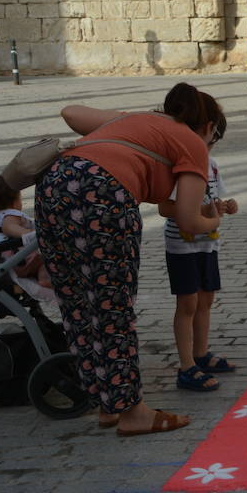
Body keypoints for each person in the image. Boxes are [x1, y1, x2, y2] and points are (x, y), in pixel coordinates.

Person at [34, 83, 225, 436]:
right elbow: (187, 219)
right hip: (103, 194)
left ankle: (105, 402)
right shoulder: (193, 142)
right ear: (209, 126)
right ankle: (132, 412)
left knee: (77, 303)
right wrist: (213, 219)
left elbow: (70, 112)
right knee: (112, 306)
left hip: (54, 184)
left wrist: (125, 119)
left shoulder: (141, 121)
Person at [161, 144, 238, 393]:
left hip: (208, 243)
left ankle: (201, 353)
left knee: (205, 300)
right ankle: (186, 366)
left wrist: (226, 206)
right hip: (182, 246)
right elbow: (165, 208)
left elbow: (215, 200)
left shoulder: (212, 165)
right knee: (188, 304)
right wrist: (201, 211)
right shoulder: (177, 168)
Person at [0, 175, 51, 288]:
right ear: (14, 201)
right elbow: (8, 227)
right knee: (47, 257)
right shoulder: (10, 214)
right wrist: (31, 234)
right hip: (16, 260)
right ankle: (45, 278)